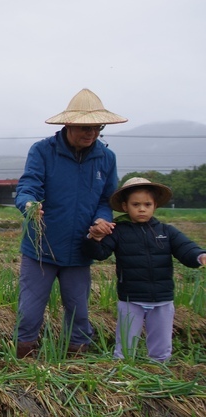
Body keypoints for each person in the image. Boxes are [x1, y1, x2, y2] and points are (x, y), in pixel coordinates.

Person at [14, 89, 124, 358]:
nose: (92, 133)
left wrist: (102, 219)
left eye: (97, 128)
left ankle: (76, 359)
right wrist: (29, 204)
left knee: (79, 311)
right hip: (42, 247)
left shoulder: (106, 158)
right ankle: (24, 358)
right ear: (68, 124)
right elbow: (29, 185)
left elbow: (107, 199)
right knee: (29, 311)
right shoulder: (43, 151)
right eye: (85, 128)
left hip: (79, 249)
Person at [82, 178, 206, 363]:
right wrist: (94, 238)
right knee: (126, 344)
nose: (142, 209)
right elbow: (99, 253)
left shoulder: (166, 231)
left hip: (162, 298)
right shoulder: (117, 231)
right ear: (125, 206)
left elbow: (186, 248)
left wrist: (200, 256)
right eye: (136, 204)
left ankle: (160, 368)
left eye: (147, 204)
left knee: (161, 344)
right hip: (131, 298)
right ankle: (122, 368)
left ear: (154, 206)